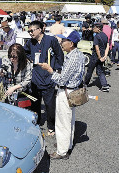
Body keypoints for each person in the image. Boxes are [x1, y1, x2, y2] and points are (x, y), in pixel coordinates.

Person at [39, 30, 85, 160]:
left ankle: (62, 151)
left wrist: (50, 70)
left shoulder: (72, 57)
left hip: (66, 92)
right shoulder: (79, 55)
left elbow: (61, 80)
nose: (61, 42)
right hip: (73, 90)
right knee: (69, 121)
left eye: (63, 40)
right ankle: (66, 145)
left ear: (71, 43)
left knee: (62, 122)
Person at [24, 20, 64, 136]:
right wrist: (30, 58)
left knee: (50, 105)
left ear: (40, 29)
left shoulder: (51, 40)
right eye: (29, 31)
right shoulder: (30, 42)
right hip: (35, 76)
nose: (30, 33)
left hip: (48, 76)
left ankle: (51, 126)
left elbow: (59, 55)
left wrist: (56, 69)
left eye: (32, 30)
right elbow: (25, 51)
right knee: (35, 103)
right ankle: (36, 123)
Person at [84, 22, 110, 92]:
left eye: (94, 28)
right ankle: (105, 85)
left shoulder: (96, 36)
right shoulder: (105, 35)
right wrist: (105, 56)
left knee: (90, 70)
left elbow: (96, 48)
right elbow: (107, 46)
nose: (93, 29)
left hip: (96, 56)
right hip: (102, 55)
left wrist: (99, 57)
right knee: (100, 71)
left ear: (98, 28)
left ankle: (85, 84)